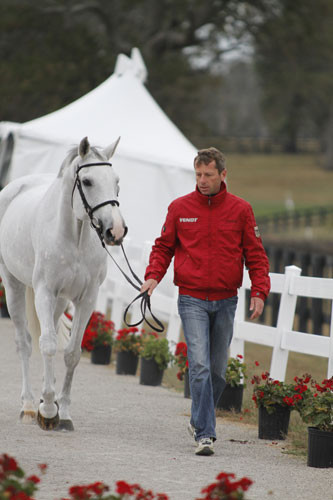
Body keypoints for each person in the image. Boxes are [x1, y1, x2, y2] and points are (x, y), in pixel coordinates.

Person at [141, 147, 270, 456]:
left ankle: (198, 419)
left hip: (226, 300)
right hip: (191, 298)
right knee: (198, 365)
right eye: (198, 174)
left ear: (222, 175)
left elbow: (256, 256)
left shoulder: (241, 210)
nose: (202, 180)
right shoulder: (179, 208)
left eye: (208, 175)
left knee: (216, 372)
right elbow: (163, 247)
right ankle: (205, 434)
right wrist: (153, 276)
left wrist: (260, 291)